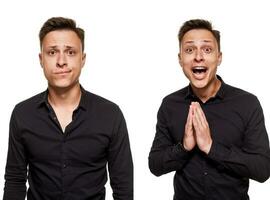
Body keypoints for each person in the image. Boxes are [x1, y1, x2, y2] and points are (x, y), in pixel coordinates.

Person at [3, 17, 133, 200]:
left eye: (70, 52)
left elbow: (123, 187)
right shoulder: (22, 114)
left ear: (83, 59)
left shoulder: (110, 114)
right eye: (52, 52)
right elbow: (15, 181)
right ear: (41, 59)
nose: (61, 61)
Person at [148, 19, 270, 199]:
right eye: (189, 50)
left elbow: (262, 169)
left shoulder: (247, 103)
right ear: (180, 59)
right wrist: (184, 147)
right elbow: (155, 165)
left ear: (219, 57)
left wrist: (211, 147)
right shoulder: (170, 105)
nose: (198, 56)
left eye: (207, 49)